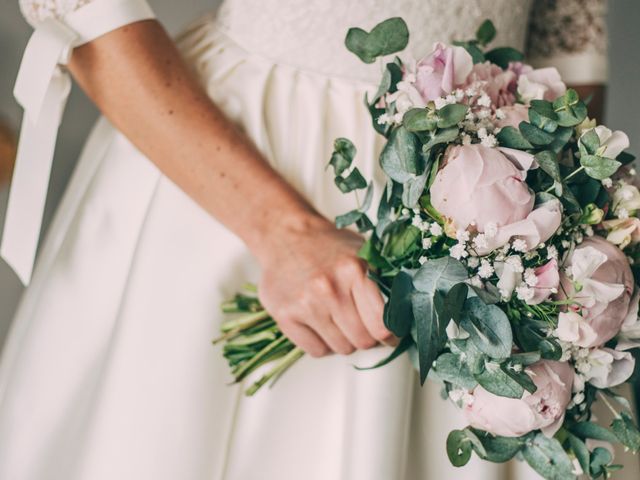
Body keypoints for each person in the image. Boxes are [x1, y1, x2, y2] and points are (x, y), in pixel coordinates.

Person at [0, 0, 635, 479]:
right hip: (237, 160)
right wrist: (282, 231)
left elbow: (566, 38)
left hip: (495, 184)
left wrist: (550, 209)